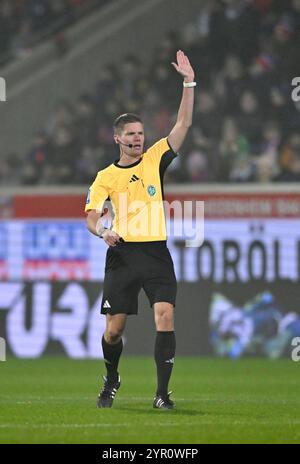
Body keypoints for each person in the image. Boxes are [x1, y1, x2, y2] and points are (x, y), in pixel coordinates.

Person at [85, 50, 195, 409]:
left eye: (141, 133)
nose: (138, 138)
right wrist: (103, 232)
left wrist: (188, 83)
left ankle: (162, 395)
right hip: (123, 255)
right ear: (117, 138)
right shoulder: (105, 177)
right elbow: (91, 216)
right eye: (131, 134)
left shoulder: (155, 159)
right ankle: (112, 376)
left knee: (164, 315)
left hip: (155, 253)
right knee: (114, 330)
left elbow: (183, 125)